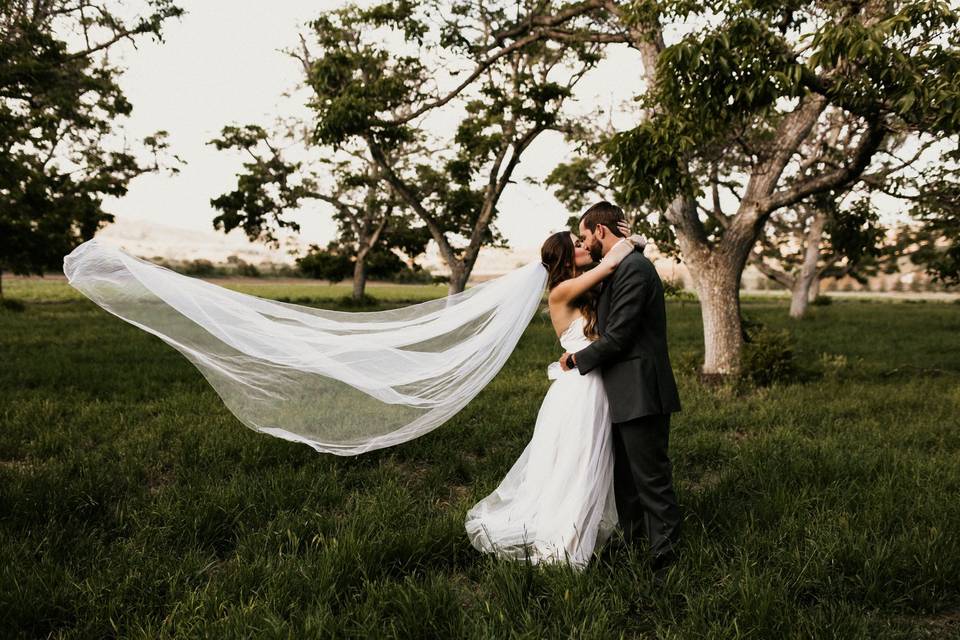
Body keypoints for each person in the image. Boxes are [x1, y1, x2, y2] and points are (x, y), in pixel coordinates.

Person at [464, 218, 644, 568]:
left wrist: (633, 243)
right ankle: (568, 539)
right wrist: (630, 238)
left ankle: (591, 526)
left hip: (595, 382)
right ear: (564, 258)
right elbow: (610, 262)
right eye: (577, 245)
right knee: (578, 462)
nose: (585, 246)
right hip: (580, 390)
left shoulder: (586, 287)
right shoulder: (562, 292)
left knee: (594, 460)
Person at [559, 201, 682, 573]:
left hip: (641, 389)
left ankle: (666, 557)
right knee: (626, 481)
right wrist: (636, 244)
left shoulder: (635, 269)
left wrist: (576, 360)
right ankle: (631, 542)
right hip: (621, 391)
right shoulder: (624, 264)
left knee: (651, 478)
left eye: (584, 235)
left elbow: (621, 335)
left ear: (599, 231)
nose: (584, 243)